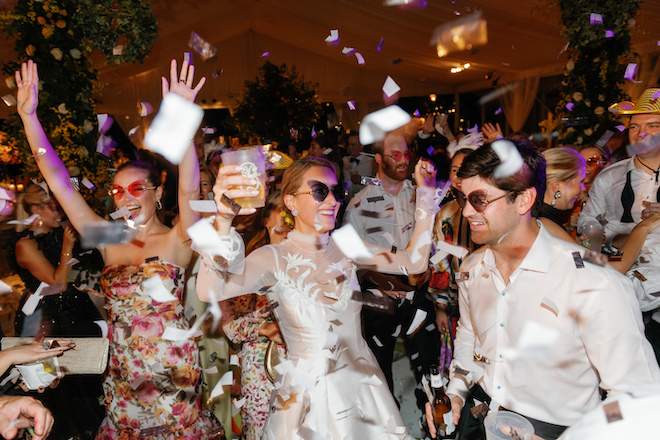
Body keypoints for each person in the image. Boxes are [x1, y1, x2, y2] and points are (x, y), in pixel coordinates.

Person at [15, 59, 220, 438]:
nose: (125, 198)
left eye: (137, 188)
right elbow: (60, 183)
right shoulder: (110, 239)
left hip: (173, 380)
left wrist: (181, 116)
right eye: (118, 190)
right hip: (124, 377)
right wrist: (29, 119)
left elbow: (191, 189)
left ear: (158, 194)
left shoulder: (177, 239)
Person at [196, 155, 441, 439]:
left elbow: (414, 262)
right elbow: (210, 291)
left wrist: (426, 196)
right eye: (319, 191)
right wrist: (223, 221)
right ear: (291, 202)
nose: (333, 200)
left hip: (363, 388)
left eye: (336, 191)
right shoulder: (274, 257)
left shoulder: (346, 244)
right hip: (308, 398)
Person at [437, 140, 659, 440]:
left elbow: (639, 396)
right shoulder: (471, 268)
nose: (466, 212)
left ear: (525, 200)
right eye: (461, 197)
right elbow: (469, 336)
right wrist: (457, 393)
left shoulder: (594, 283)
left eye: (479, 199)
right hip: (480, 419)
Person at [343, 133, 441, 418]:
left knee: (429, 366)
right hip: (378, 299)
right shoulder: (359, 205)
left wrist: (426, 272)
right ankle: (390, 426)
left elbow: (436, 243)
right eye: (394, 155)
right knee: (379, 370)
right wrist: (381, 283)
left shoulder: (420, 195)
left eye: (405, 153)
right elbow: (350, 261)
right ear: (378, 159)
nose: (403, 159)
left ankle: (436, 420)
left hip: (418, 294)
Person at [579, 87, 660, 363]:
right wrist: (596, 257)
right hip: (621, 293)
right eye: (635, 126)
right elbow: (588, 220)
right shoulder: (609, 177)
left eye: (652, 125)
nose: (641, 133)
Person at [221, 192, 288, 440]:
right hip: (261, 363)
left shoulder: (305, 258)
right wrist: (263, 328)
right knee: (260, 431)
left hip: (301, 358)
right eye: (280, 209)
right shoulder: (250, 262)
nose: (287, 215)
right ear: (266, 220)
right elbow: (230, 326)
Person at [539, 147, 586, 231]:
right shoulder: (545, 224)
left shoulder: (536, 216)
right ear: (556, 186)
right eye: (581, 182)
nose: (583, 188)